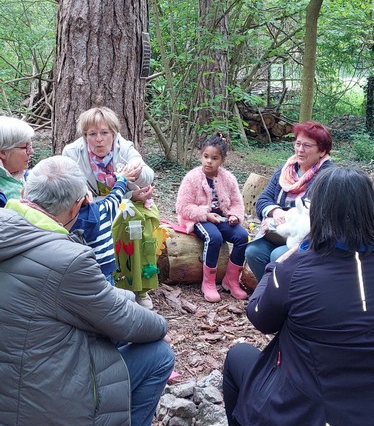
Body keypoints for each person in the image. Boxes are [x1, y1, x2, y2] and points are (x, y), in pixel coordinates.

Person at [0, 155, 174, 426]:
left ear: (25, 192)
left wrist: (123, 297)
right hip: (32, 415)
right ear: (76, 207)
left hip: (13, 379)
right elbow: (133, 324)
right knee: (158, 354)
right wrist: (161, 322)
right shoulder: (66, 259)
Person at [223, 166, 374, 426]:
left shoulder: (295, 269)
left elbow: (260, 317)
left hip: (316, 417)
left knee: (238, 357)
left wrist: (274, 269)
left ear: (320, 212)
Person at [62, 106, 158, 309]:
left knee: (134, 225)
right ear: (84, 135)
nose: (99, 139)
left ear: (113, 133)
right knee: (100, 227)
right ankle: (102, 285)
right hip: (93, 206)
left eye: (104, 133)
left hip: (129, 201)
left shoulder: (125, 148)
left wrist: (137, 172)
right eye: (92, 134)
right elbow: (79, 192)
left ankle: (139, 288)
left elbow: (147, 176)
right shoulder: (71, 153)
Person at [245, 120, 333, 281]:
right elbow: (263, 199)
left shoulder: (328, 176)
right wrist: (275, 211)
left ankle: (288, 300)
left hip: (307, 239)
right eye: (298, 143)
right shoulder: (286, 170)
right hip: (278, 234)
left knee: (278, 256)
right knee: (254, 252)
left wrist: (281, 219)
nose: (300, 149)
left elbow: (313, 213)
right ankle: (267, 295)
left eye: (307, 146)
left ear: (322, 151)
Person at [176, 133, 249, 302]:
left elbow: (237, 202)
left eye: (214, 158)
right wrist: (205, 214)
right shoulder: (192, 178)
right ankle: (208, 283)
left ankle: (231, 280)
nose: (209, 161)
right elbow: (182, 206)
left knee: (242, 237)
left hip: (221, 217)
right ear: (201, 156)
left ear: (222, 160)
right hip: (199, 218)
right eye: (206, 157)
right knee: (214, 237)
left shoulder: (228, 178)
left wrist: (234, 216)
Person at [72, 163, 139, 285]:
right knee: (108, 299)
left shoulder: (63, 221)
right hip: (105, 271)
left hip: (79, 273)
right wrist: (122, 178)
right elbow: (116, 195)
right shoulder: (103, 209)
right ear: (87, 198)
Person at [0, 115, 34, 199]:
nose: (31, 152)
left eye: (30, 146)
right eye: (25, 147)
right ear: (3, 152)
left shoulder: (25, 176)